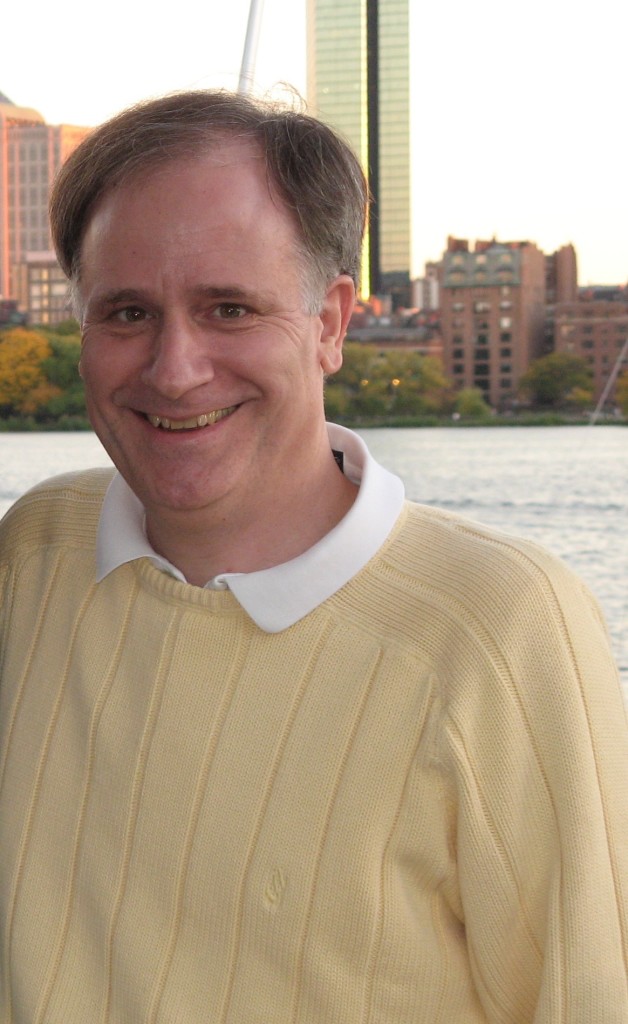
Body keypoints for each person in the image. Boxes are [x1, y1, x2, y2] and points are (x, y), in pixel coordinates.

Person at [0, 91, 626, 1024]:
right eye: (127, 312)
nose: (174, 369)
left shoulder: (501, 629)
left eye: (229, 308)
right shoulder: (34, 554)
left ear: (331, 322)